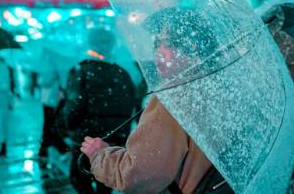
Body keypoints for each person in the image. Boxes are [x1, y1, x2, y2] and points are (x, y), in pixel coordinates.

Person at [79, 17, 226, 194]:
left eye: (169, 44)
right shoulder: (220, 88)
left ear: (193, 48)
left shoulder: (175, 96)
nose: (159, 51)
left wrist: (99, 155)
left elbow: (139, 175)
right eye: (157, 44)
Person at [61, 29, 137, 194]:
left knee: (80, 180)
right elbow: (131, 104)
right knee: (106, 181)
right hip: (114, 137)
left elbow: (74, 106)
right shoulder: (121, 73)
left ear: (91, 44)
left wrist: (69, 126)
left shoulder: (82, 72)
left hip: (87, 139)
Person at [37, 67, 69, 168]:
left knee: (49, 126)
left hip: (50, 100)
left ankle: (58, 149)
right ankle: (45, 151)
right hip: (52, 99)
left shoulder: (49, 67)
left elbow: (43, 81)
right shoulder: (59, 66)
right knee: (49, 126)